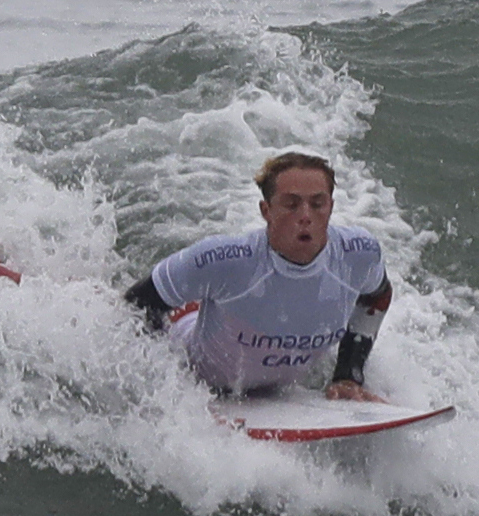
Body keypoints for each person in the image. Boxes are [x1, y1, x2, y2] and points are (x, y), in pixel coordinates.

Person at [123, 151, 392, 400]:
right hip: (197, 373)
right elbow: (136, 303)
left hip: (272, 389)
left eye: (317, 204)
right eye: (291, 205)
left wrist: (348, 374)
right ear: (267, 211)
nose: (306, 216)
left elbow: (378, 297)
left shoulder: (358, 256)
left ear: (331, 207)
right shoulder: (222, 260)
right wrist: (168, 387)